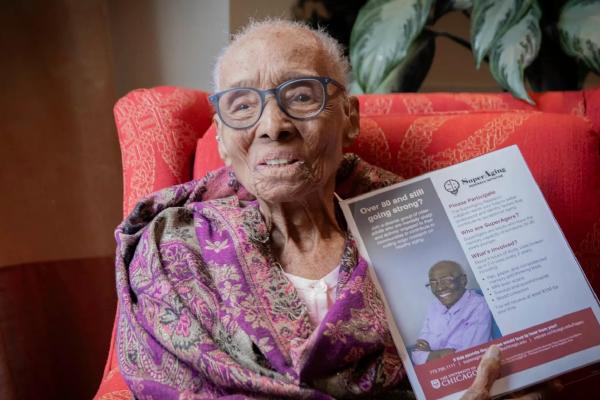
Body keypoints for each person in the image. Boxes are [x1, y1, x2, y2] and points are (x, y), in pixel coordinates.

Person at [114, 19, 549, 399]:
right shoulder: (172, 251)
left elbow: (495, 353)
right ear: (223, 140)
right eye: (243, 106)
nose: (273, 126)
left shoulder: (435, 229)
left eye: (301, 96)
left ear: (349, 117)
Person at [412, 261, 493, 365]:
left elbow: (471, 356)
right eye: (433, 283)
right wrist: (445, 354)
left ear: (463, 280)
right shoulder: (434, 306)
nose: (439, 288)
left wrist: (430, 354)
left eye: (446, 280)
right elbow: (417, 354)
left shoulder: (479, 306)